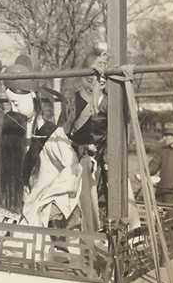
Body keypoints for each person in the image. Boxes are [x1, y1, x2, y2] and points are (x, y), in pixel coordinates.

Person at [0, 55, 82, 230]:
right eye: (10, 104)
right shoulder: (15, 131)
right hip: (19, 206)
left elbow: (74, 169)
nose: (13, 110)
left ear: (33, 96)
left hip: (44, 211)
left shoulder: (52, 134)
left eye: (16, 103)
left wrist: (48, 196)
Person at [59, 51, 140, 230]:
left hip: (104, 156)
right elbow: (62, 135)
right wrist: (79, 149)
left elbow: (116, 135)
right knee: (79, 204)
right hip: (77, 160)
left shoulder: (110, 103)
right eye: (93, 77)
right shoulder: (71, 102)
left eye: (103, 78)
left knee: (117, 190)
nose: (98, 82)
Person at [148, 122, 173, 206]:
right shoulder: (162, 151)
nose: (164, 138)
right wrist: (143, 172)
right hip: (160, 194)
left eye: (167, 135)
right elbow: (153, 165)